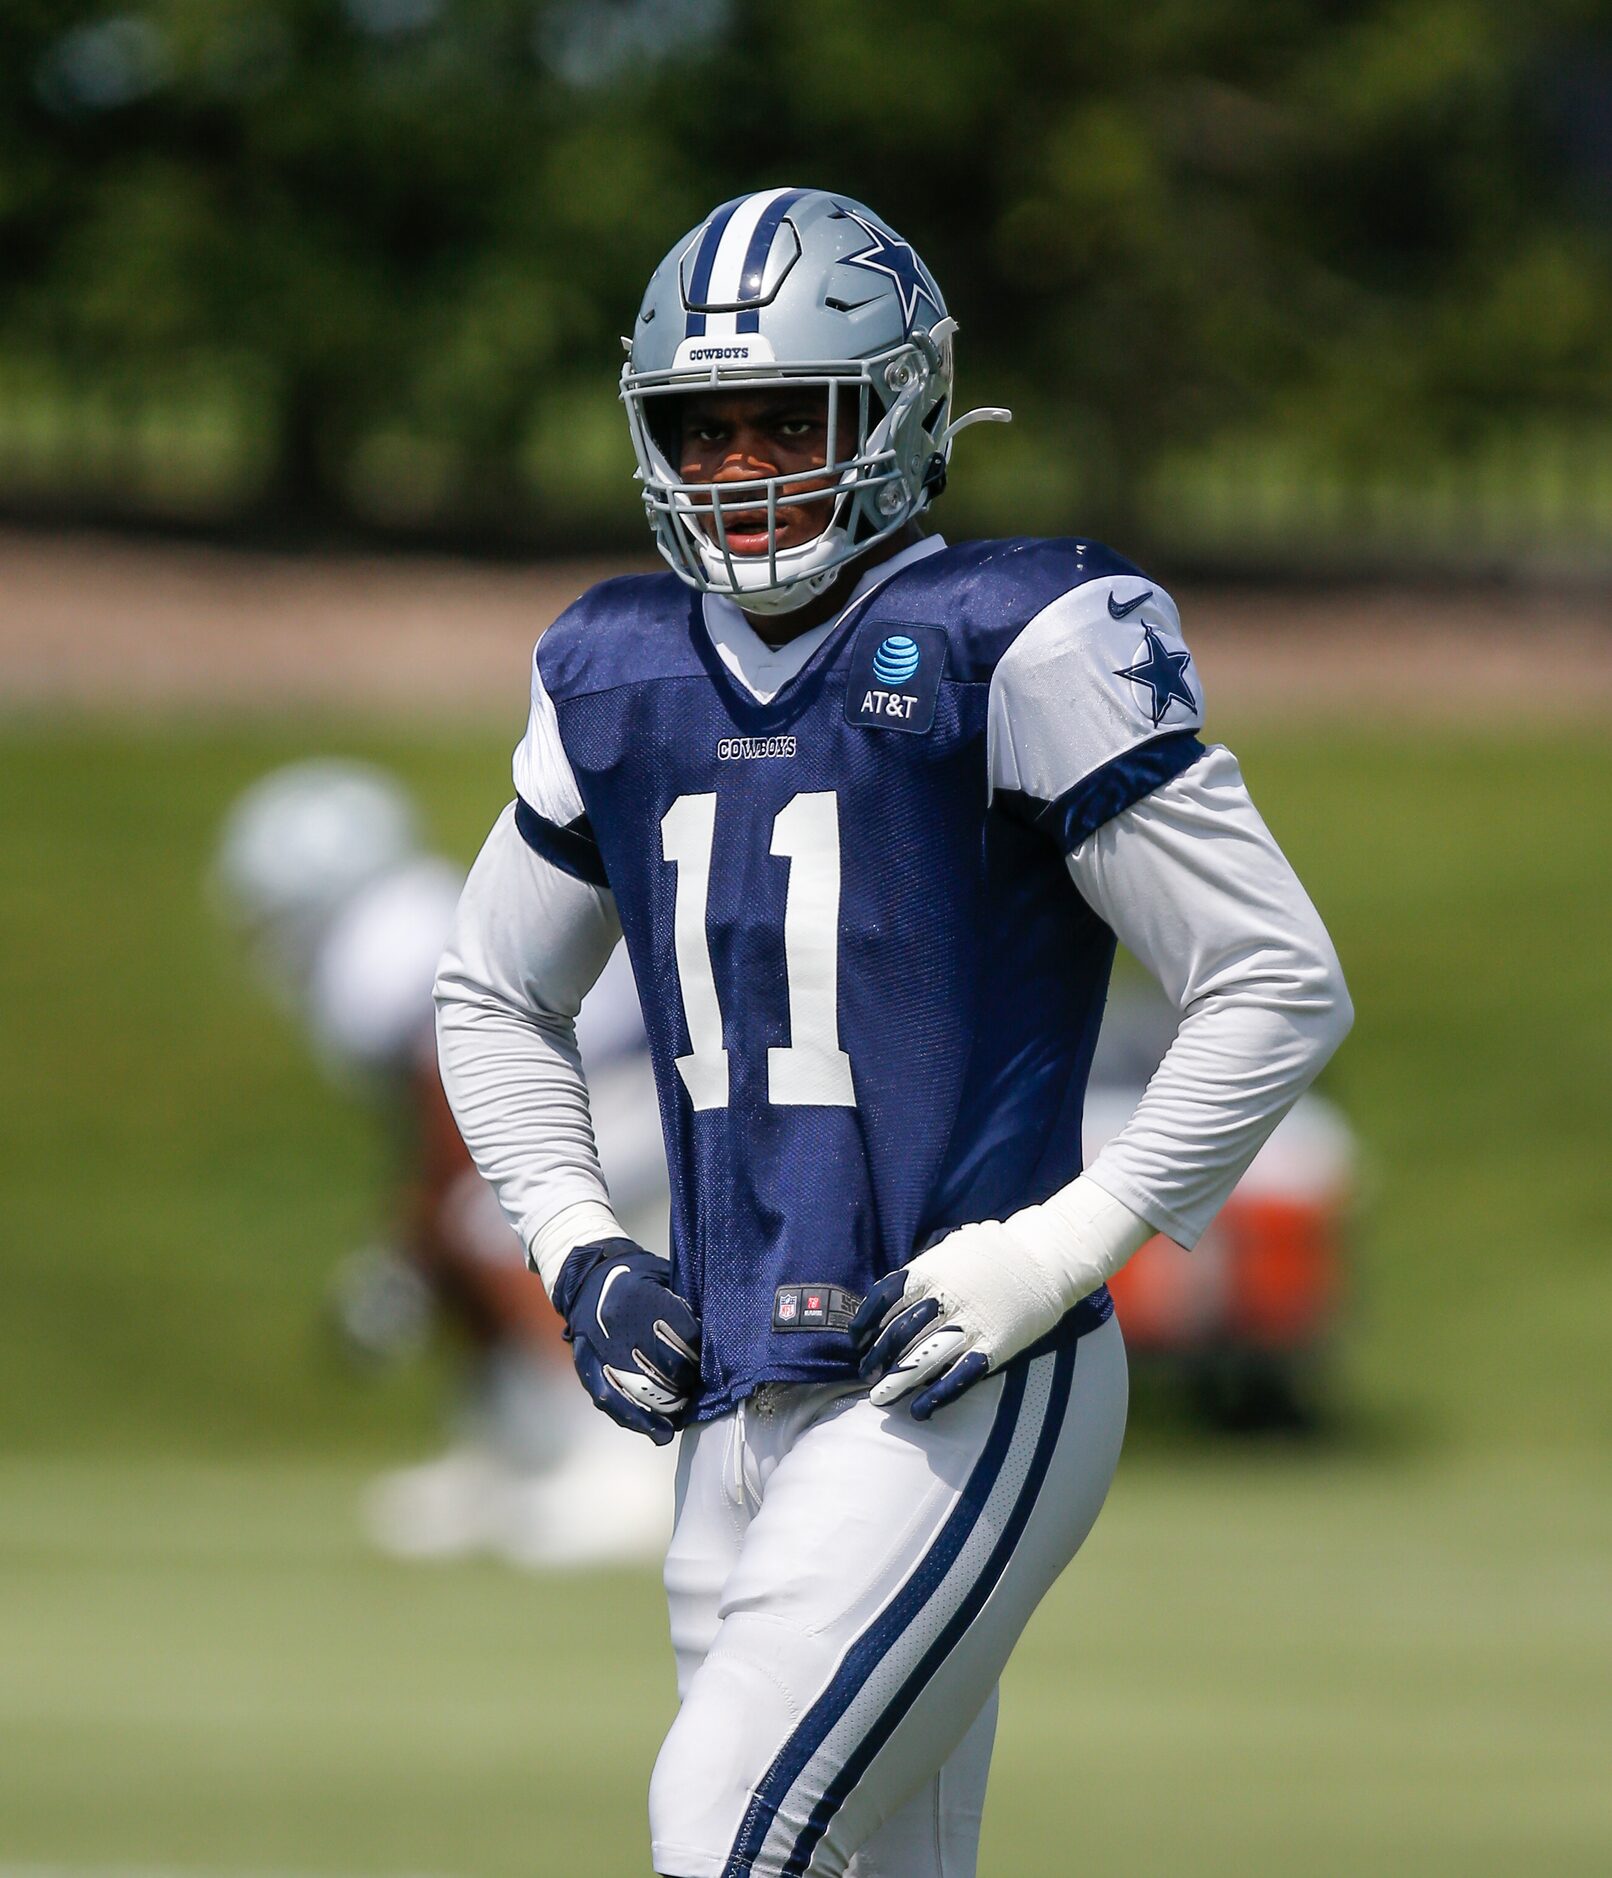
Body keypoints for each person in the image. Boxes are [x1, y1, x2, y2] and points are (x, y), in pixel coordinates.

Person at [434, 187, 1352, 1877]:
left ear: (906, 406)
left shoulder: (1023, 636)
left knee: (726, 1830)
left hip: (953, 1366)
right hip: (725, 1388)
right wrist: (578, 1245)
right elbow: (490, 989)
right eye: (704, 429)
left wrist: (1062, 1247)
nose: (746, 465)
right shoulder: (616, 672)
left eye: (795, 416)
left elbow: (1275, 978)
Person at [214, 759, 673, 1568]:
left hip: (625, 1083)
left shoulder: (375, 940)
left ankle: (620, 1462)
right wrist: (411, 1246)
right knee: (451, 1235)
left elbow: (450, 1101)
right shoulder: (405, 912)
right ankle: (515, 1447)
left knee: (493, 1224)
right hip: (593, 1084)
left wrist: (415, 1240)